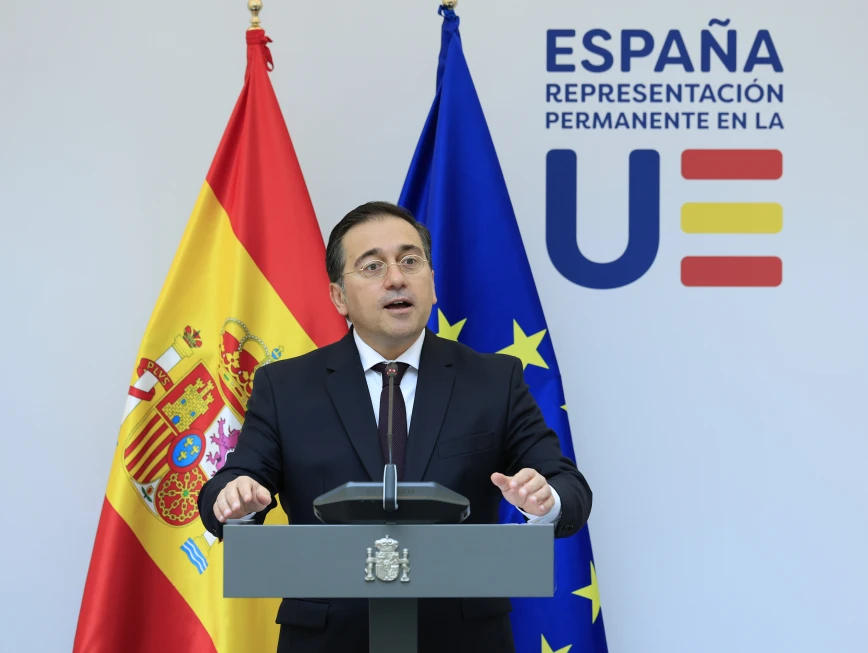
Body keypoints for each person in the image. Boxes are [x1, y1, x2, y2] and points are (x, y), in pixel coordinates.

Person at [197, 201, 592, 653]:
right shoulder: (285, 387)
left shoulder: (494, 380)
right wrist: (236, 499)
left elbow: (568, 486)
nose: (396, 279)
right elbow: (230, 484)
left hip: (463, 639)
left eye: (410, 261)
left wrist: (546, 499)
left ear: (432, 282)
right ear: (339, 298)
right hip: (327, 640)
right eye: (372, 266)